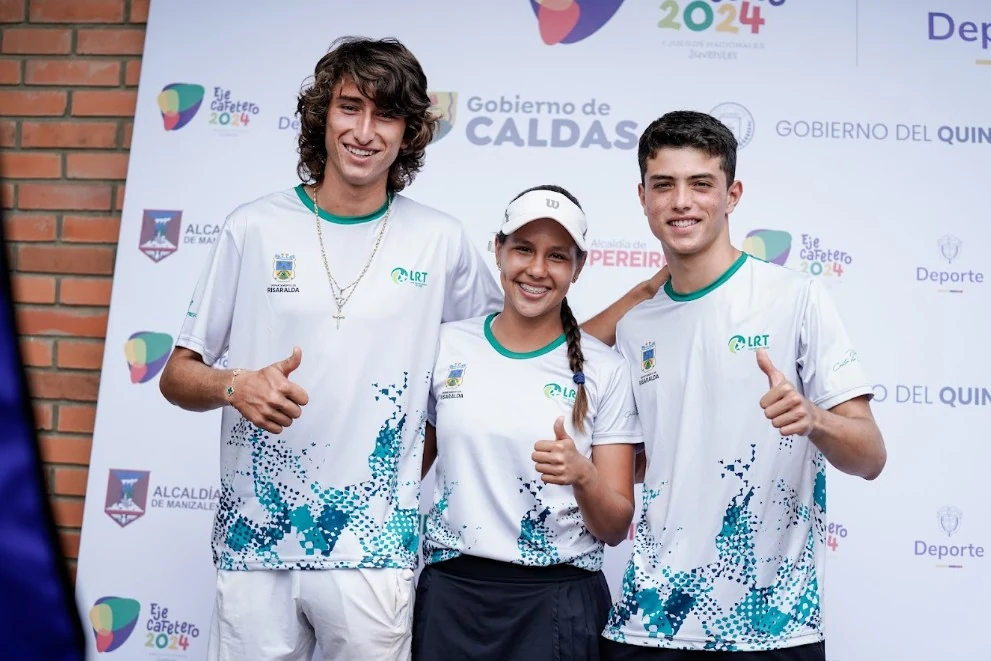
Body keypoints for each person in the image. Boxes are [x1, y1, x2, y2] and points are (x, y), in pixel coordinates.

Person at [158, 36, 666, 661]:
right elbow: (177, 375)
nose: (364, 132)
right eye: (350, 108)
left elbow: (529, 338)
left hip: (375, 553)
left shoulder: (439, 241)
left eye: (386, 115)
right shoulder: (251, 227)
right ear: (322, 115)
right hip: (254, 542)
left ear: (409, 133)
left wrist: (640, 297)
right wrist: (234, 385)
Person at [601, 111, 887, 661]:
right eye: (664, 185)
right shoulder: (635, 328)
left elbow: (871, 456)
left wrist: (814, 418)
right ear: (643, 197)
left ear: (732, 195)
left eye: (700, 184)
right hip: (648, 624)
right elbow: (642, 465)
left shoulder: (795, 297)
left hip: (772, 627)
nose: (681, 202)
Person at [412, 184, 643, 661]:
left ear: (578, 267)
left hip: (557, 602)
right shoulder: (444, 346)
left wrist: (584, 476)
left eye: (557, 256)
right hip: (453, 597)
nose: (537, 269)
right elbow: (403, 470)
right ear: (497, 249)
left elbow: (615, 525)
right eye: (523, 249)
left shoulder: (606, 370)